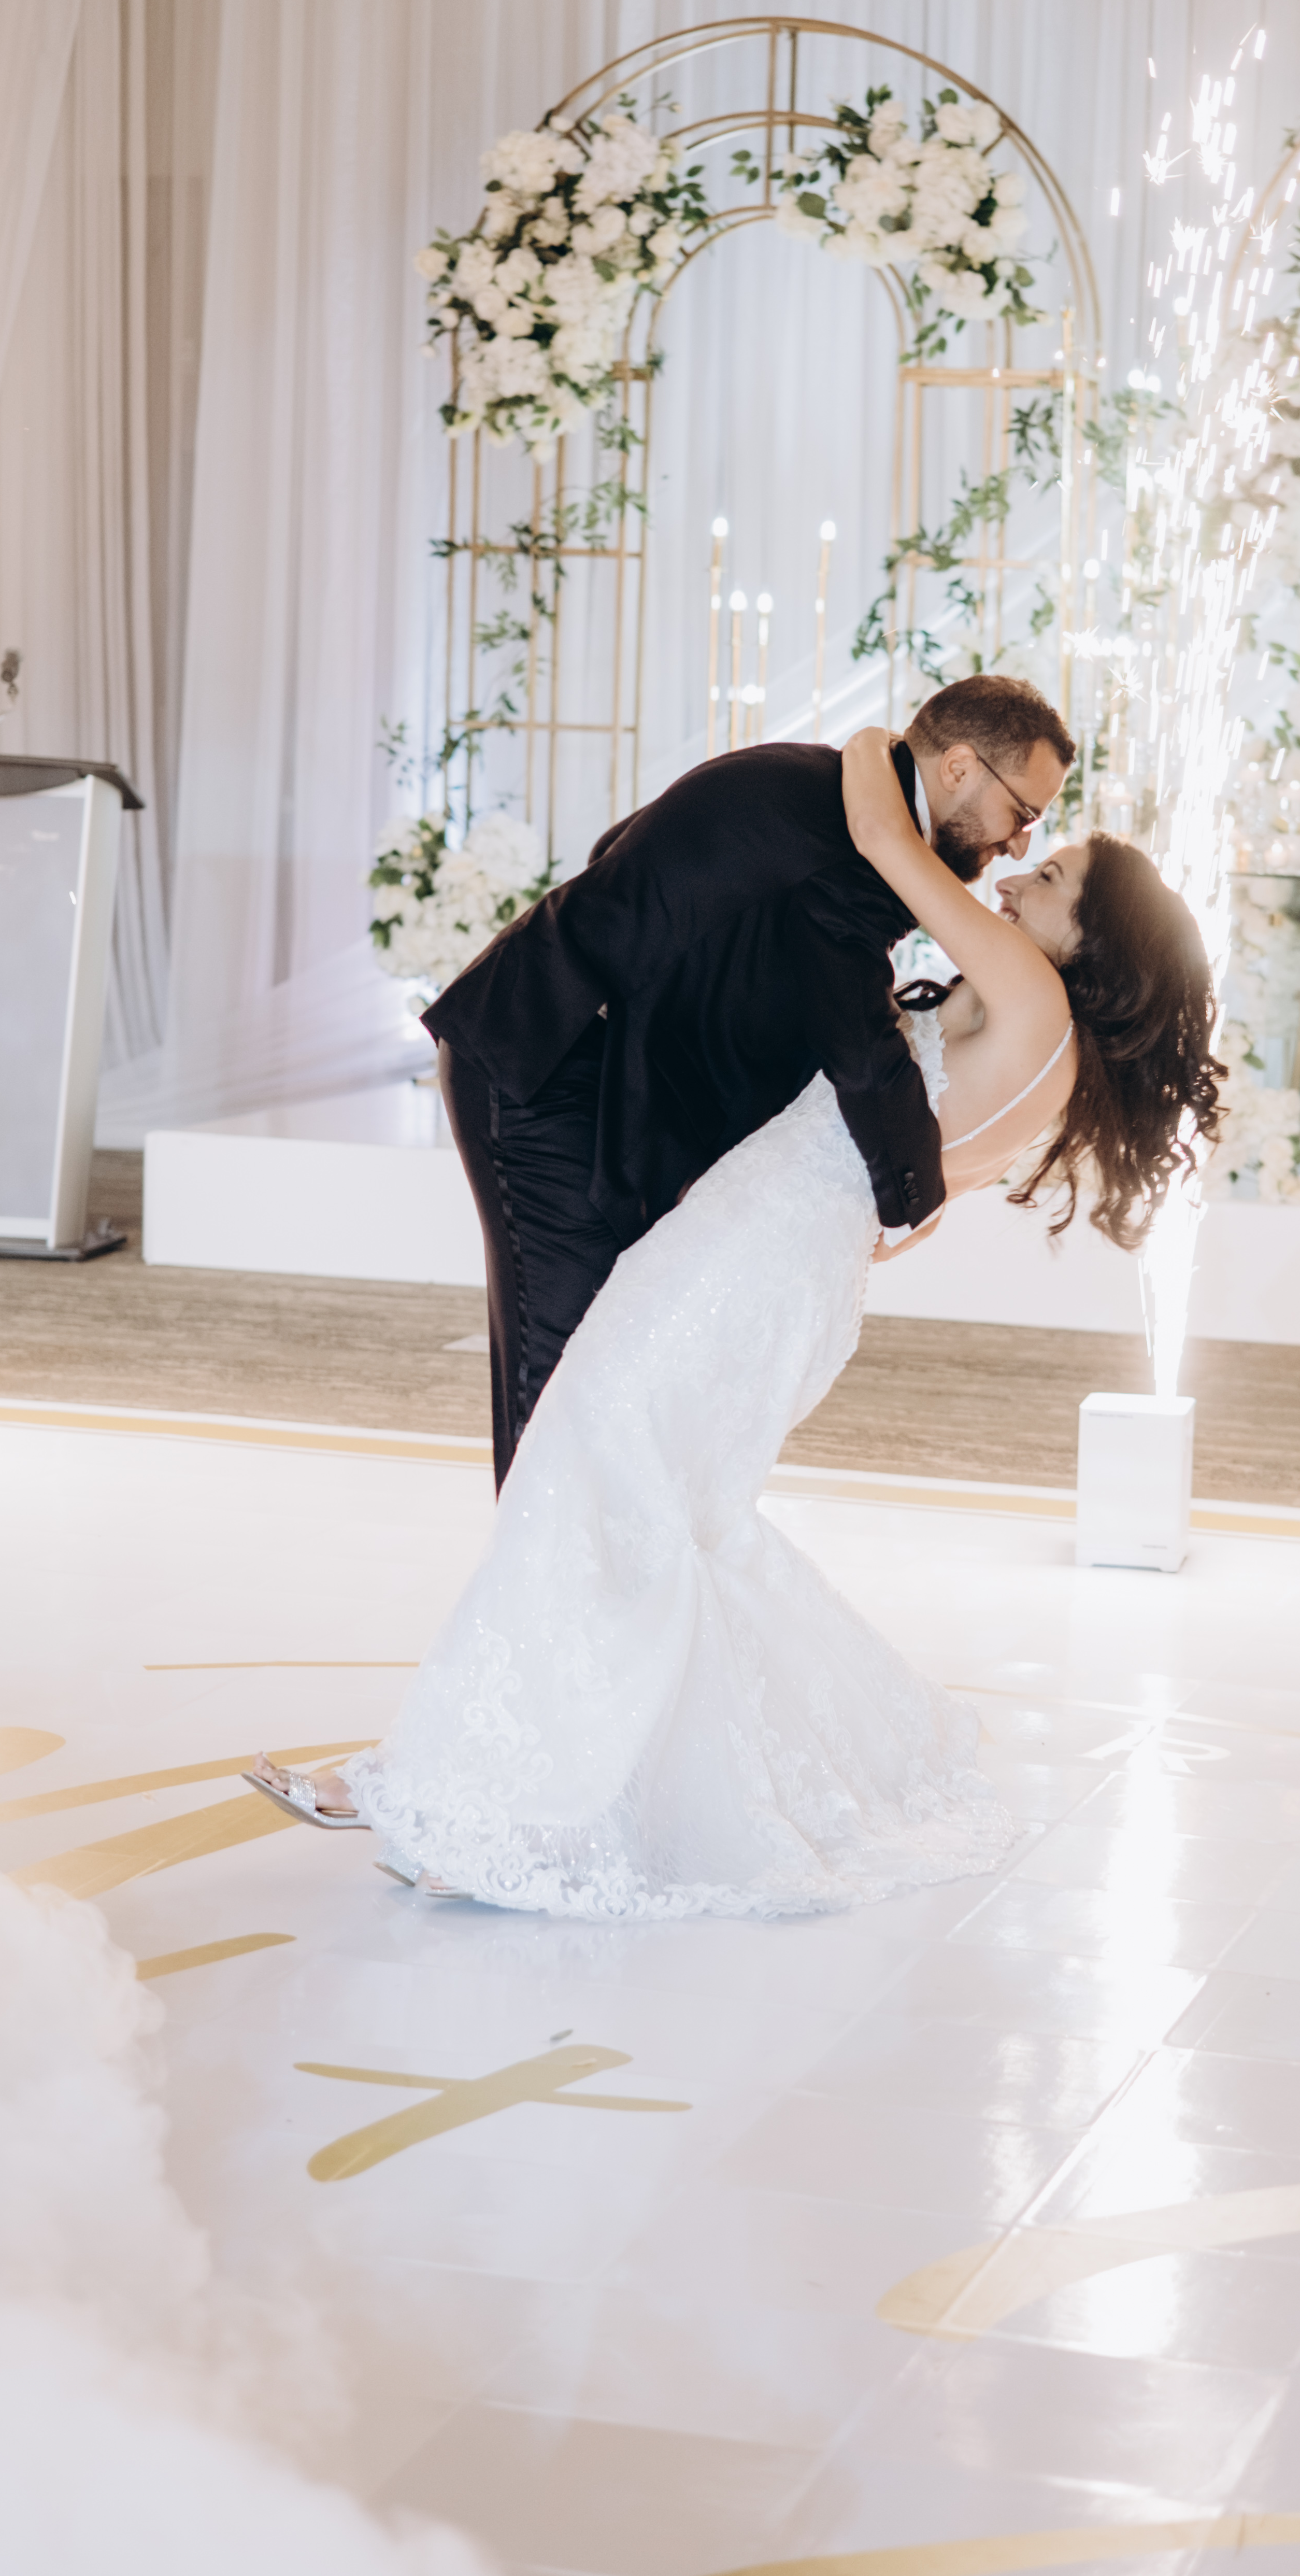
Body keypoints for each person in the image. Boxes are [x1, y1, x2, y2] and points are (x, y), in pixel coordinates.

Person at [244, 718, 1222, 1920]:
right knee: (633, 1496)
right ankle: (504, 1784)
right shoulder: (1052, 1060)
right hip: (779, 1262)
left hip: (746, 1257)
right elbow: (911, 1199)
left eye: (1053, 875)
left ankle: (487, 1799)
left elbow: (884, 841)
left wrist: (870, 743)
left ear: (1094, 938)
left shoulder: (1024, 989)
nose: (1020, 869)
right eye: (1031, 837)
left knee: (596, 1472)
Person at [416, 674, 1076, 1489]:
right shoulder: (855, 846)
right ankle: (539, 1569)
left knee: (600, 1384)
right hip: (544, 1065)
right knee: (563, 1387)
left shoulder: (817, 781)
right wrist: (915, 1201)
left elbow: (620, 846)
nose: (1019, 846)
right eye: (1024, 814)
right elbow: (860, 1047)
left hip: (584, 1070)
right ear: (960, 768)